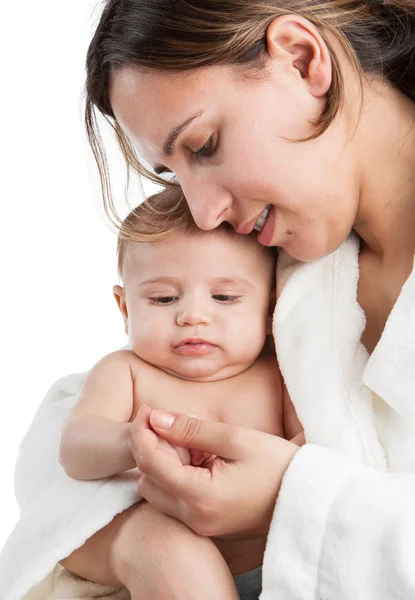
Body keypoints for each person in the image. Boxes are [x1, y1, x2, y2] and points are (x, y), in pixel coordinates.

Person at [2, 0, 415, 598]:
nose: (203, 214)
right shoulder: (293, 257)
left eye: (204, 145)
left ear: (301, 60)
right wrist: (144, 543)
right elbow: (58, 439)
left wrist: (289, 503)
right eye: (173, 174)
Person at [58, 186, 303, 599]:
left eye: (224, 297)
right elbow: (73, 447)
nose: (192, 316)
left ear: (271, 310)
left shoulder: (280, 376)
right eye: (164, 298)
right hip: (165, 575)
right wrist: (129, 442)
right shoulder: (127, 373)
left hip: (279, 570)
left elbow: (316, 447)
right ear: (125, 309)